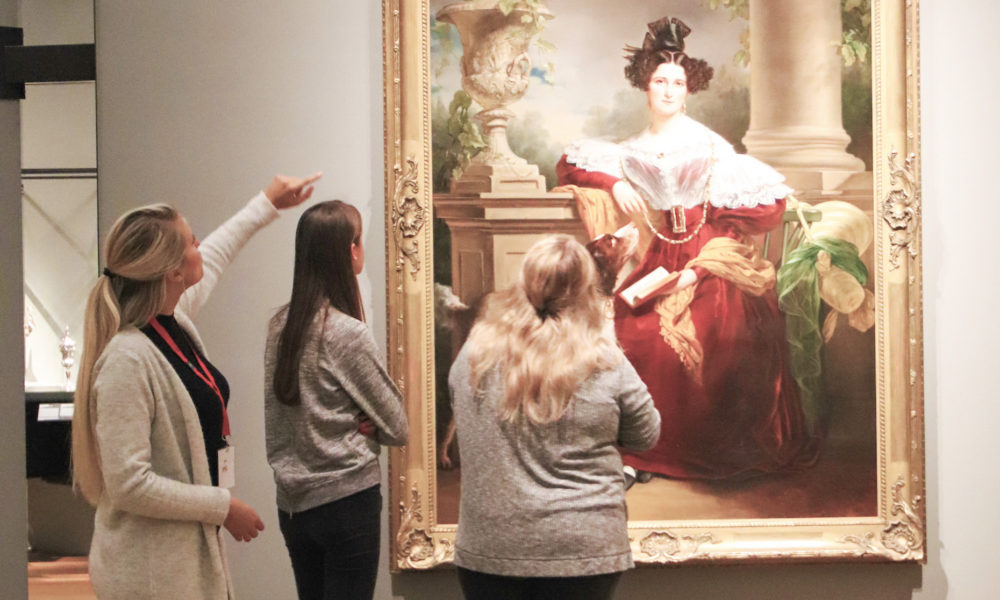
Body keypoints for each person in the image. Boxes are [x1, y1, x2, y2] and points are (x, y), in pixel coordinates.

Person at [556, 16, 819, 482]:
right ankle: (638, 451)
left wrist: (699, 271)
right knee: (626, 324)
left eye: (678, 81)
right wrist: (614, 184)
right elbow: (572, 167)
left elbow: (757, 213)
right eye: (660, 81)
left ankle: (680, 453)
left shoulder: (710, 145)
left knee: (710, 333)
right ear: (646, 86)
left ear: (689, 87)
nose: (669, 90)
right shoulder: (630, 148)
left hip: (709, 256)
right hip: (658, 255)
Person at [72, 172, 322, 599]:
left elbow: (219, 254)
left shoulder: (172, 322)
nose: (200, 246)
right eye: (192, 241)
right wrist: (222, 508)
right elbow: (129, 483)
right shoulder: (126, 360)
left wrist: (267, 203)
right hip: (149, 576)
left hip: (180, 565)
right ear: (171, 272)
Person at [448, 234, 660, 600]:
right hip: (583, 550)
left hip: (492, 548)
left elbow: (465, 413)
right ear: (586, 289)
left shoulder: (474, 354)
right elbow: (646, 433)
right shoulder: (605, 358)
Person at [264, 200, 408, 600]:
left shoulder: (279, 327)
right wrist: (368, 421)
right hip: (347, 500)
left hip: (293, 504)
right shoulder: (347, 333)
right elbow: (397, 425)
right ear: (351, 250)